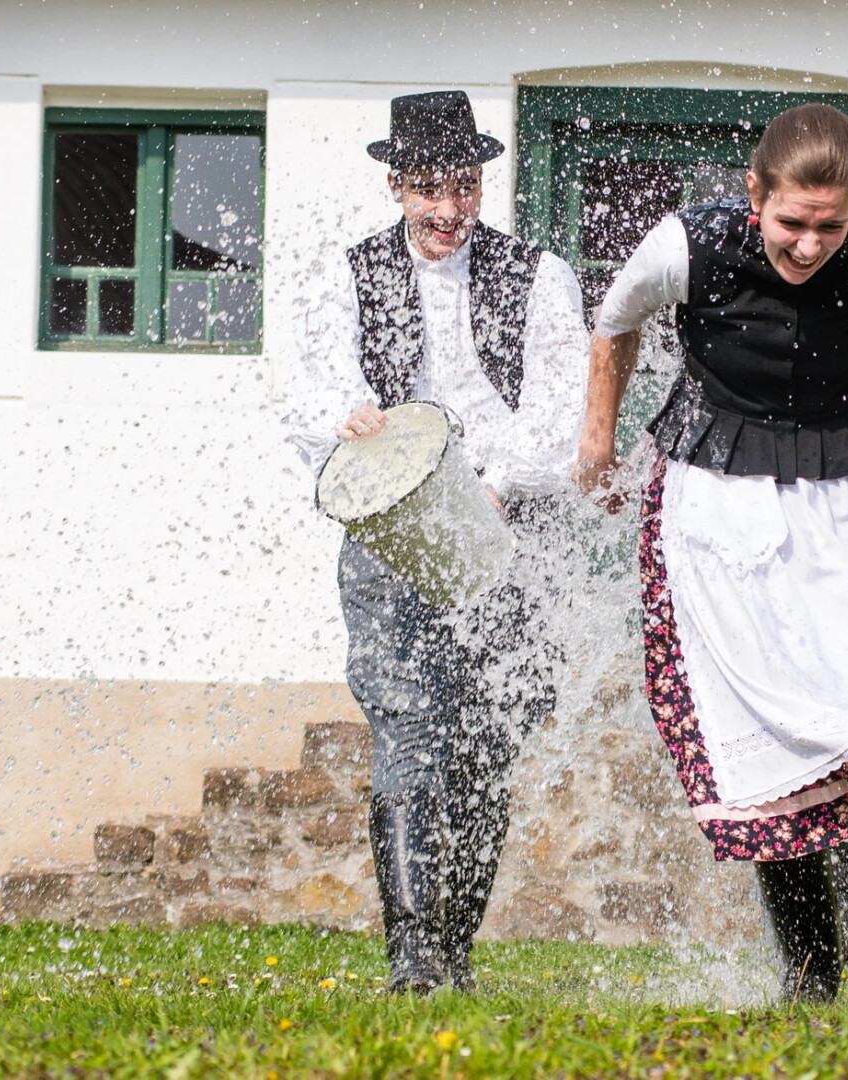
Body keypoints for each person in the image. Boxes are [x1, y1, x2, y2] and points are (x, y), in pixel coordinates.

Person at [573, 104, 848, 1002]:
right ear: (752, 196)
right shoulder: (683, 245)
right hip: (725, 493)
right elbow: (613, 325)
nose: (809, 245)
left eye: (829, 224)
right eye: (789, 223)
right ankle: (810, 972)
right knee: (769, 728)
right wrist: (597, 442)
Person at [286, 91, 588, 993]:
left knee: (484, 745)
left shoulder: (540, 274)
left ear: (482, 181)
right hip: (391, 537)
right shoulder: (345, 275)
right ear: (395, 185)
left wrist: (499, 484)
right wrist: (347, 419)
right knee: (410, 731)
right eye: (428, 188)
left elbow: (565, 406)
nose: (448, 209)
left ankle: (453, 951)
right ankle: (416, 961)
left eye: (463, 186)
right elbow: (309, 397)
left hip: (510, 533)